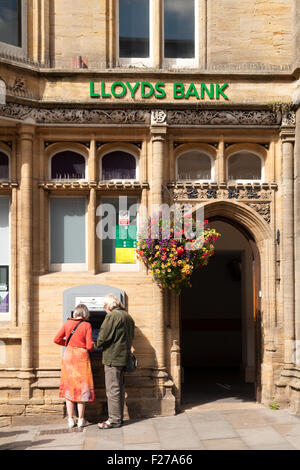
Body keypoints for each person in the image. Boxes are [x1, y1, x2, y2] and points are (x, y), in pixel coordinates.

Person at [97, 293, 135, 429]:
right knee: (119, 388)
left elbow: (102, 337)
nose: (103, 308)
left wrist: (97, 342)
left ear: (109, 305)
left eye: (104, 306)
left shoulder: (112, 316)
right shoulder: (127, 316)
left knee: (112, 390)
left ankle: (113, 420)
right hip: (123, 357)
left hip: (113, 358)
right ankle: (119, 418)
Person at [54, 303, 95, 428]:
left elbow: (56, 339)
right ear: (85, 314)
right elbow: (89, 346)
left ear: (75, 312)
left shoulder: (67, 324)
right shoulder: (87, 325)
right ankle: (81, 420)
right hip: (81, 357)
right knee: (82, 389)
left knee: (69, 388)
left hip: (69, 356)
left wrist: (68, 343)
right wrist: (93, 345)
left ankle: (71, 420)